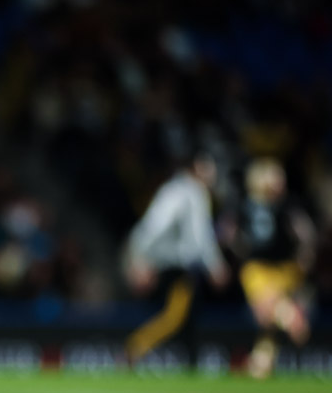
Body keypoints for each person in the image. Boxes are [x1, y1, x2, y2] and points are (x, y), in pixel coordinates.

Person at [123, 153, 230, 365]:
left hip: (165, 264)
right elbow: (200, 235)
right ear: (196, 168)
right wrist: (216, 266)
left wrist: (140, 256)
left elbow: (152, 226)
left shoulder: (171, 188)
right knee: (177, 317)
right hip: (180, 267)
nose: (212, 175)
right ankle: (136, 346)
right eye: (208, 168)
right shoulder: (195, 192)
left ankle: (188, 362)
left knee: (182, 316)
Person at [233, 159, 315, 379]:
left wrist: (304, 255)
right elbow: (231, 234)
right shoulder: (244, 205)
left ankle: (260, 363)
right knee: (269, 312)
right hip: (258, 268)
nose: (280, 181)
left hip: (285, 269)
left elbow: (305, 234)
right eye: (274, 176)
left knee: (268, 323)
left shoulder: (288, 206)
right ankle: (289, 316)